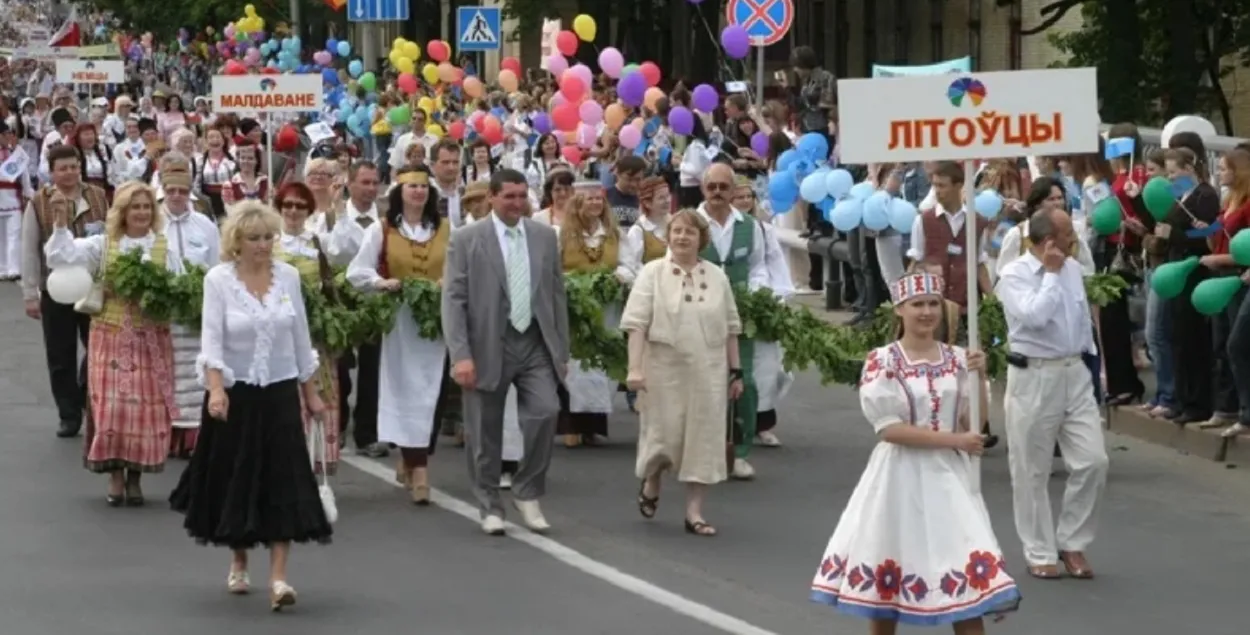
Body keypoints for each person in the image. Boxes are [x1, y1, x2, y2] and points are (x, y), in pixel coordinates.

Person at [809, 271, 1020, 632]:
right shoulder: (883, 360)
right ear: (899, 310)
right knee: (888, 581)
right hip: (899, 478)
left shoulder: (958, 359)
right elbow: (889, 429)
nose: (926, 312)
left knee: (967, 576)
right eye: (917, 304)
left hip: (950, 480)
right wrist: (956, 442)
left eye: (932, 304)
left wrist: (980, 377)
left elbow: (974, 424)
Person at [169, 201, 331, 611]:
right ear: (236, 242)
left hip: (278, 393)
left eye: (268, 238)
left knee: (283, 478)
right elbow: (213, 341)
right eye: (254, 238)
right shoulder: (218, 280)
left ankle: (279, 578)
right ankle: (239, 559)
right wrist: (217, 389)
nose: (263, 246)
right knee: (236, 476)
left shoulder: (289, 277)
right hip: (235, 393)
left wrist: (310, 392)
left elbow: (299, 337)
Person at [441, 168, 568, 535]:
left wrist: (561, 350)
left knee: (546, 411)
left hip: (535, 342)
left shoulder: (544, 237)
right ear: (492, 198)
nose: (516, 203)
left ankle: (527, 490)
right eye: (509, 196)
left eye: (521, 195)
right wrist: (460, 354)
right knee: (485, 432)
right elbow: (454, 300)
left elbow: (556, 295)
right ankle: (489, 505)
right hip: (486, 346)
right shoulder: (467, 239)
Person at [44, 182, 178, 505]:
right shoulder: (103, 244)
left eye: (147, 207)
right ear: (123, 212)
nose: (142, 213)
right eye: (136, 207)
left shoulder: (163, 247)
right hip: (110, 335)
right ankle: (115, 476)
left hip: (150, 338)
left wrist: (162, 298)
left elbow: (177, 289)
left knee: (143, 410)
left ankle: (135, 478)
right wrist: (61, 223)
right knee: (113, 409)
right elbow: (60, 257)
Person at [996, 208, 1109, 580]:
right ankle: (1039, 549)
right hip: (1034, 374)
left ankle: (1072, 541)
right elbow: (1034, 317)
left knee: (1093, 460)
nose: (1073, 244)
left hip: (1074, 372)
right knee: (1031, 469)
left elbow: (1081, 319)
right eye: (1067, 238)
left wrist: (1095, 362)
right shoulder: (1013, 275)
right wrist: (1051, 275)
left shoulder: (1074, 269)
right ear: (1048, 242)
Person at [622, 209, 744, 536]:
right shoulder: (652, 273)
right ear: (668, 235)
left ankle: (694, 512)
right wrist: (634, 368)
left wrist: (737, 372)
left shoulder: (717, 276)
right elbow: (636, 325)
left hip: (709, 370)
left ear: (701, 238)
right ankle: (652, 480)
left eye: (689, 232)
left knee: (703, 439)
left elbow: (732, 327)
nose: (682, 237)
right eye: (676, 231)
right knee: (664, 436)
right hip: (663, 368)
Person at [347, 166, 453, 505]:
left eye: (424, 187)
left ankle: (413, 460)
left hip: (433, 323)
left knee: (430, 392)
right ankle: (418, 468)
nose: (419, 192)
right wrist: (381, 282)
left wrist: (447, 284)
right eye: (412, 187)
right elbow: (356, 272)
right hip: (398, 324)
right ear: (399, 192)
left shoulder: (447, 230)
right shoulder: (383, 230)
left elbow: (459, 268)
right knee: (403, 391)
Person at [21, 145, 111, 438]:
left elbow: (111, 239)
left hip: (93, 287)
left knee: (98, 349)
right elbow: (29, 250)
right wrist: (30, 293)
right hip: (55, 290)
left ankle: (91, 399)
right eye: (63, 168)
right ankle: (68, 414)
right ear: (52, 171)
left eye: (74, 166)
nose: (69, 172)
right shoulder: (39, 202)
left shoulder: (97, 197)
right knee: (60, 356)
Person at [696, 163, 769, 480]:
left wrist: (756, 294)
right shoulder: (690, 222)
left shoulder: (750, 226)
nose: (717, 193)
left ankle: (739, 451)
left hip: (739, 315)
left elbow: (758, 267)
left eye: (723, 187)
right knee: (702, 385)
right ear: (703, 188)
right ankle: (703, 451)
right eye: (711, 187)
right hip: (699, 313)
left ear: (732, 191)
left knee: (745, 383)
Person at [158, 153, 221, 457]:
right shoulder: (154, 221)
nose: (177, 197)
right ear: (164, 190)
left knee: (196, 374)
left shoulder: (204, 225)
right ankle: (169, 434)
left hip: (197, 311)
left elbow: (217, 265)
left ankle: (195, 437)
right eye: (171, 191)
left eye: (182, 191)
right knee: (168, 372)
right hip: (164, 311)